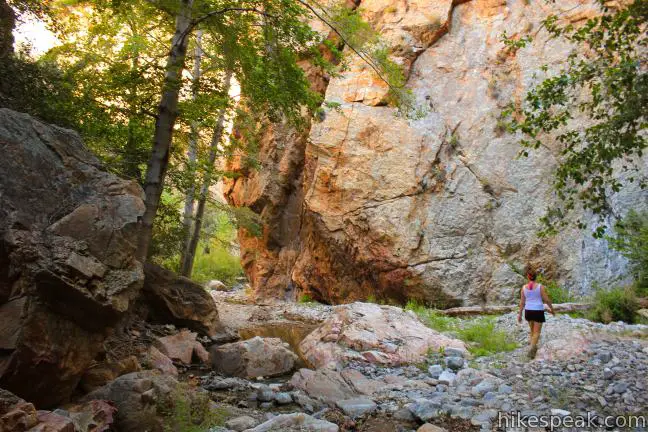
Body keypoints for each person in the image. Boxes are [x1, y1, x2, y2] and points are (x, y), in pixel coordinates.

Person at [517, 267, 555, 359]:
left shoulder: (523, 288)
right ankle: (532, 349)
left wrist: (520, 314)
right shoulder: (540, 287)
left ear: (528, 277)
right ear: (536, 277)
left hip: (528, 311)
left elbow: (522, 302)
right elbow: (546, 300)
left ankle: (533, 348)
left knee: (532, 331)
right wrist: (552, 309)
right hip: (538, 310)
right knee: (537, 332)